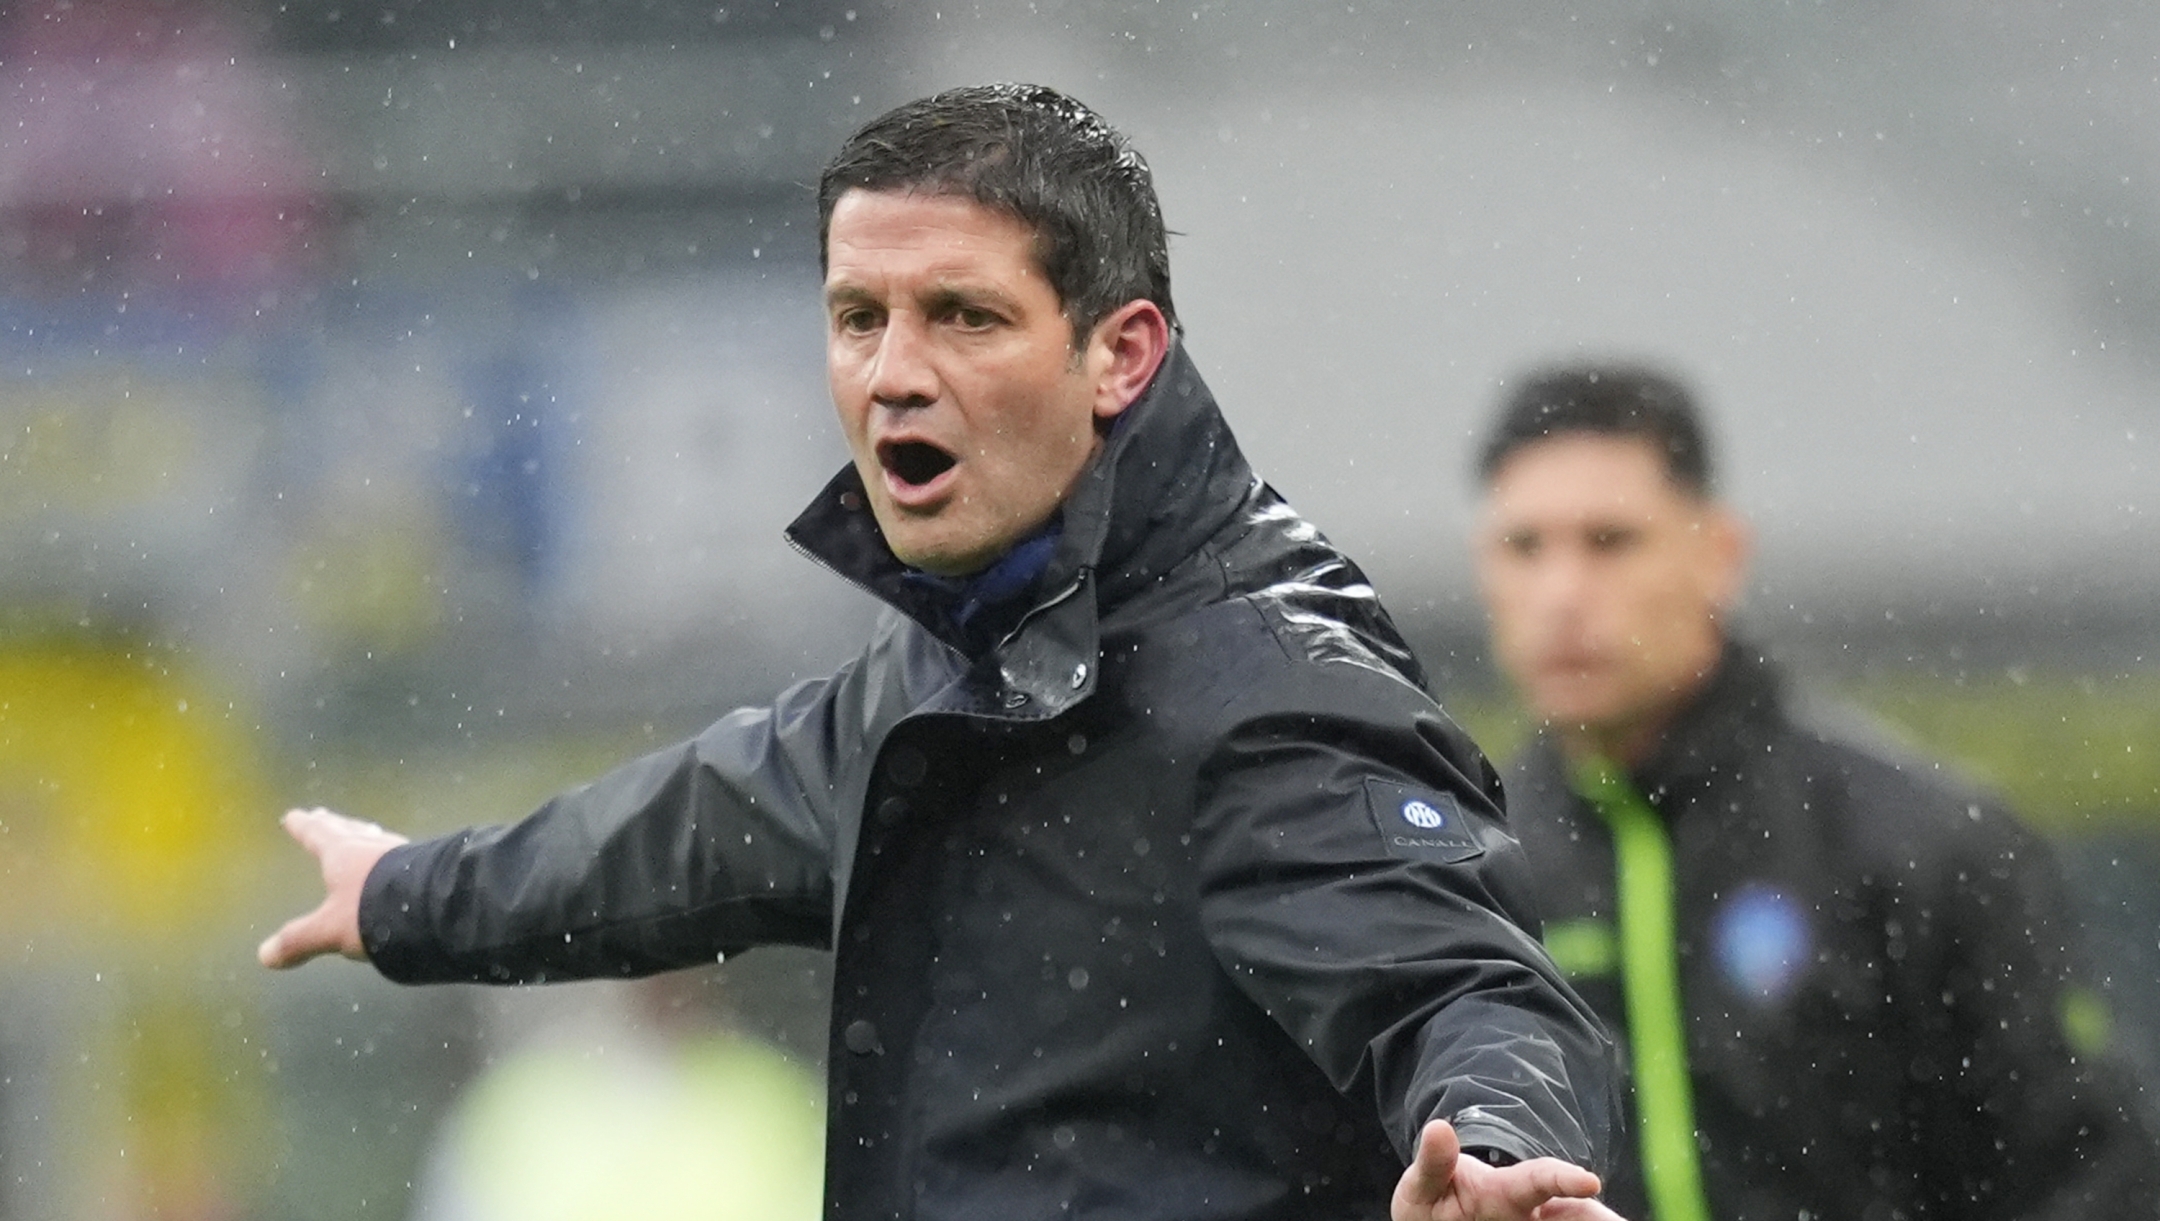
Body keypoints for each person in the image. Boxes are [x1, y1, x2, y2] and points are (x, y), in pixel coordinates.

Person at [259, 84, 1628, 1221]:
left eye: (962, 316)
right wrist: (408, 892)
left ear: (1120, 355)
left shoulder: (1266, 685)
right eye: (860, 317)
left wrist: (1496, 1150)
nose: (893, 371)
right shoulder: (959, 662)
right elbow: (695, 825)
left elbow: (1474, 985)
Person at [1469, 360, 2160, 1220]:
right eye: (1524, 546)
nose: (1562, 593)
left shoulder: (1925, 842)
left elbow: (2091, 1178)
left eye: (1610, 541)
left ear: (1718, 554)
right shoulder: (1469, 866)